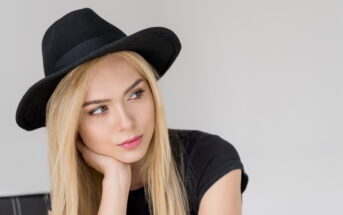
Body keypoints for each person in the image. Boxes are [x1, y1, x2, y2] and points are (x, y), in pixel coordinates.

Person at [15, 7, 249, 215]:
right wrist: (115, 184)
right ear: (72, 126)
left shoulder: (209, 159)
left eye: (135, 94)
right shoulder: (69, 200)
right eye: (99, 109)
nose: (126, 122)